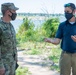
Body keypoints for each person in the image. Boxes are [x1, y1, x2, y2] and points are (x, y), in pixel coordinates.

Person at [44, 3, 76, 75]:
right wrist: (51, 40)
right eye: (65, 12)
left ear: (74, 11)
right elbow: (57, 40)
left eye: (68, 12)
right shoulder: (62, 25)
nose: (66, 14)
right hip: (65, 55)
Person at [0, 3, 19, 75]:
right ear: (8, 12)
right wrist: (0, 66)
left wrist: (16, 57)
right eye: (14, 11)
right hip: (4, 65)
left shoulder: (10, 25)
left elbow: (13, 43)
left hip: (12, 63)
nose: (15, 13)